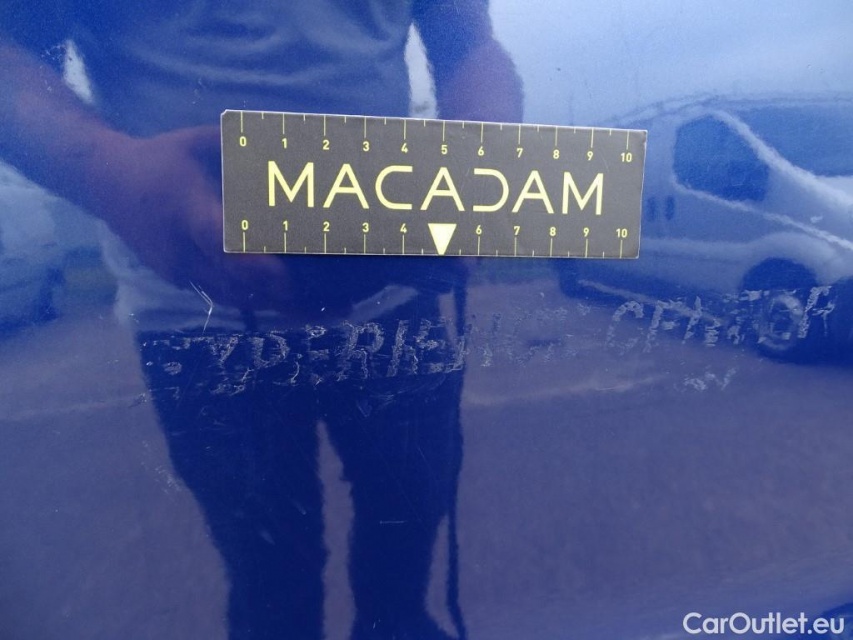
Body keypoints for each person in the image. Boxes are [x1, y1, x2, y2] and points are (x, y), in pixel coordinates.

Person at [0, 2, 523, 638]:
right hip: (198, 313)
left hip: (391, 293)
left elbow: (470, 45)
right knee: (271, 580)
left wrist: (483, 169)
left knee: (407, 525)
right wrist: (107, 172)